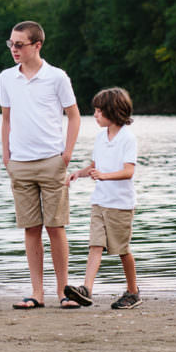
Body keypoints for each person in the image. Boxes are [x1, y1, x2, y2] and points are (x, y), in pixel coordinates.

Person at [0, 20, 82, 310]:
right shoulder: (7, 78)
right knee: (30, 228)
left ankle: (63, 292)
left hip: (51, 161)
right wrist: (6, 155)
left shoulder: (57, 77)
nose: (14, 49)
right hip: (19, 164)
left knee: (55, 227)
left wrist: (67, 153)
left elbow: (74, 116)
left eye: (19, 44)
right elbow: (6, 119)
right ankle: (37, 292)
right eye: (11, 44)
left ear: (37, 45)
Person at [64, 87, 141, 309]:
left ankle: (133, 292)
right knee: (95, 245)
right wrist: (79, 173)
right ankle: (86, 289)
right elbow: (95, 166)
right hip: (99, 202)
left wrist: (104, 176)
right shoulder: (100, 137)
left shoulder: (128, 139)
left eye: (99, 111)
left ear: (113, 111)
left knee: (122, 250)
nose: (95, 115)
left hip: (120, 205)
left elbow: (129, 171)